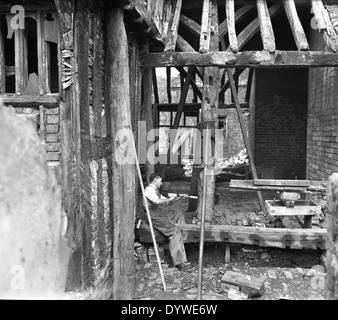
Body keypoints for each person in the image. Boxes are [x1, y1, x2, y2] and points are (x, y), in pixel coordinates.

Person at [143, 173, 191, 270]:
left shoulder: (156, 190)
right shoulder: (149, 190)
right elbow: (157, 201)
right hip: (153, 216)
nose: (161, 183)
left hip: (159, 212)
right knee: (174, 230)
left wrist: (179, 197)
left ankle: (183, 240)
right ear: (155, 180)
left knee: (179, 213)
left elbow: (167, 201)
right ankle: (180, 262)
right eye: (160, 181)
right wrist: (169, 199)